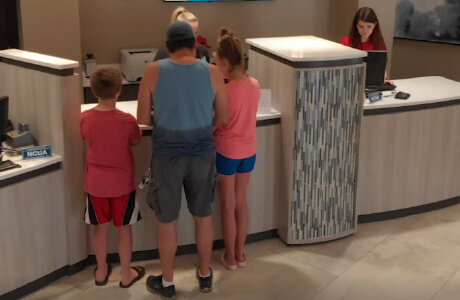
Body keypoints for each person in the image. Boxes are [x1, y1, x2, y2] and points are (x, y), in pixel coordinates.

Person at [137, 21, 229, 299]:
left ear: (167, 48)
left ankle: (167, 282)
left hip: (167, 155)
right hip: (203, 154)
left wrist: (166, 119)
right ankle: (204, 274)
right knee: (203, 215)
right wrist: (202, 125)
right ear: (194, 45)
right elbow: (224, 117)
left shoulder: (153, 70)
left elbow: (143, 118)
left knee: (168, 221)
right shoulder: (212, 72)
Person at [80, 67, 145, 288]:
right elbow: (136, 140)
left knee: (100, 229)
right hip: (122, 186)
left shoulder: (85, 118)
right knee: (124, 229)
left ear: (93, 90)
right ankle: (126, 274)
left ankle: (101, 271)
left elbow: (84, 136)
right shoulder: (127, 120)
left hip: (96, 185)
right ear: (119, 90)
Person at [213, 28, 260, 271]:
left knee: (227, 205)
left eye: (216, 63)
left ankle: (229, 257)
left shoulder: (225, 90)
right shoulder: (254, 84)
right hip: (249, 151)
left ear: (225, 62)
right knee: (241, 202)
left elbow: (219, 120)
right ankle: (241, 253)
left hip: (227, 152)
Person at [340, 7, 393, 84]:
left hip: (372, 84)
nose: (365, 31)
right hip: (350, 83)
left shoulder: (378, 43)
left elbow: (381, 68)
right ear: (356, 25)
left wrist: (383, 79)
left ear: (374, 25)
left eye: (369, 26)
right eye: (361, 26)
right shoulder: (346, 42)